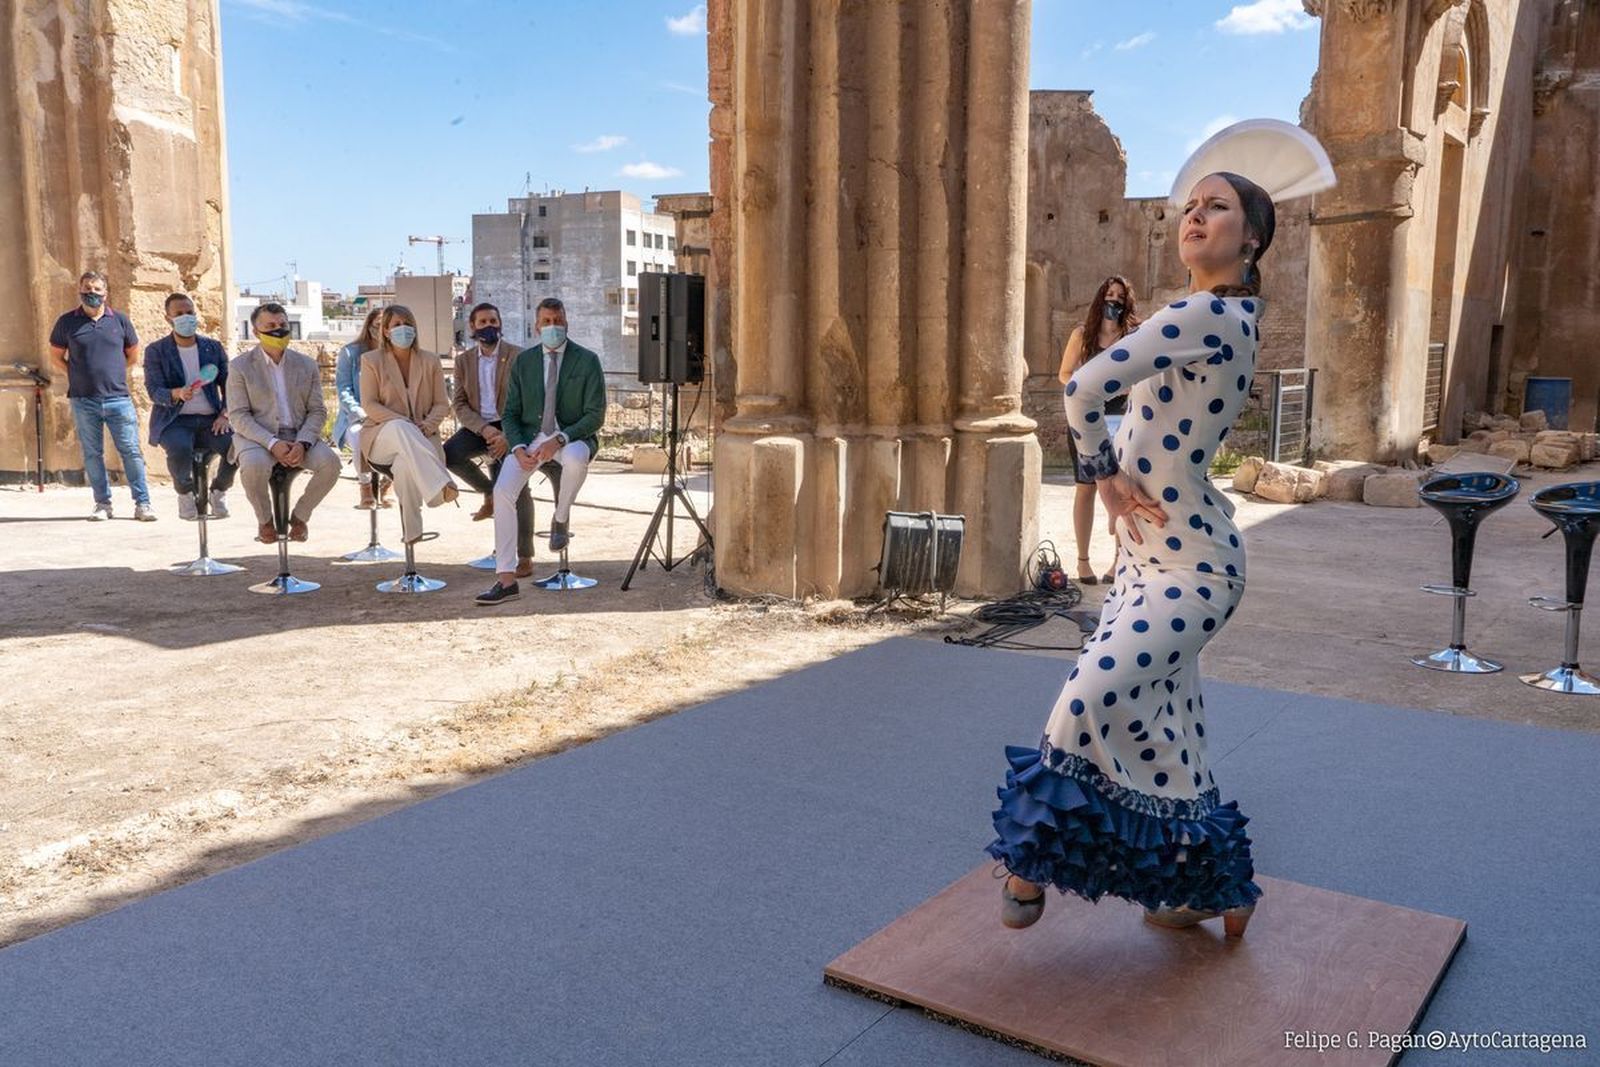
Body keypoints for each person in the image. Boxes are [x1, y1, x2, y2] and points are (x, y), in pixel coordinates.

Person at [989, 171, 1274, 938]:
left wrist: (1104, 479)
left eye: (1216, 207)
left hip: (1193, 567)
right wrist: (1116, 485)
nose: (1195, 217)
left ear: (1251, 237)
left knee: (1091, 696)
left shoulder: (1208, 313)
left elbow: (1081, 388)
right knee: (1168, 732)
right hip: (1151, 562)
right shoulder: (1224, 314)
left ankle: (1027, 864)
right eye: (1190, 207)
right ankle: (1209, 886)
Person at [475, 297, 606, 606]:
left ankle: (560, 519)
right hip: (530, 440)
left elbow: (595, 415)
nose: (552, 327)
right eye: (546, 322)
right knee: (504, 492)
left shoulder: (586, 360)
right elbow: (510, 413)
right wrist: (518, 447)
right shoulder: (525, 361)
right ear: (536, 326)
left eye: (557, 321)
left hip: (571, 437)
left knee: (575, 458)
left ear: (566, 323)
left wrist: (559, 439)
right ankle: (506, 580)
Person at [227, 303, 343, 544]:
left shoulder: (306, 364)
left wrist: (303, 442)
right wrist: (272, 443)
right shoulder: (239, 367)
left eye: (282, 325)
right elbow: (238, 416)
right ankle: (265, 520)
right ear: (256, 332)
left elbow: (317, 410)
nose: (278, 330)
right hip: (258, 437)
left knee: (331, 464)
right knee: (254, 465)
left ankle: (300, 516)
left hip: (299, 435)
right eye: (270, 326)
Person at [48, 270, 155, 521]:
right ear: (80, 289)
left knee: (130, 451)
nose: (91, 293)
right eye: (87, 288)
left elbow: (132, 355)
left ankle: (143, 503)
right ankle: (102, 504)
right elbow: (56, 356)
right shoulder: (66, 322)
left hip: (118, 398)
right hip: (83, 399)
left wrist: (112, 374)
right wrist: (76, 373)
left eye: (96, 289)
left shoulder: (120, 320)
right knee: (93, 453)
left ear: (105, 293)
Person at [444, 302, 535, 577]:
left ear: (500, 324)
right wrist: (485, 430)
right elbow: (458, 403)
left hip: (512, 428)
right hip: (478, 427)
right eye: (482, 322)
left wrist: (508, 435)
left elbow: (530, 403)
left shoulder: (519, 357)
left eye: (493, 321)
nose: (488, 326)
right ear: (472, 327)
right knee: (449, 454)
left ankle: (525, 555)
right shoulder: (463, 361)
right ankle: (488, 493)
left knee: (517, 488)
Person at [1060, 276, 1140, 585]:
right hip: (1086, 420)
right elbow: (1064, 374)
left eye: (1120, 296)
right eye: (1109, 294)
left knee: (1120, 489)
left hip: (1123, 420)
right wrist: (1087, 387)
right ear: (1100, 298)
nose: (1115, 301)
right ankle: (1083, 562)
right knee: (1086, 488)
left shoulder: (1133, 337)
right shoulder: (1082, 335)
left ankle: (1119, 560)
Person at [357, 305, 458, 544]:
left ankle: (412, 533)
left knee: (404, 465)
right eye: (397, 325)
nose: (404, 329)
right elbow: (369, 405)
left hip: (422, 437)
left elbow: (441, 404)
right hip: (381, 436)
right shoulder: (371, 360)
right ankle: (440, 485)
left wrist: (426, 425)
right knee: (400, 428)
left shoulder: (430, 360)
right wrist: (406, 422)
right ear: (386, 331)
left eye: (408, 324)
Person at [143, 293, 235, 520]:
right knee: (179, 449)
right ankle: (185, 493)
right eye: (180, 314)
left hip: (211, 419)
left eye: (190, 313)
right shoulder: (156, 351)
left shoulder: (212, 348)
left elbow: (230, 384)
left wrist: (225, 413)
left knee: (237, 448)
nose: (186, 318)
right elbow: (154, 391)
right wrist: (176, 393)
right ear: (169, 319)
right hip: (175, 420)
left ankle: (219, 490)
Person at [333, 308, 391, 510]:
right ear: (369, 326)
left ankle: (388, 482)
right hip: (356, 416)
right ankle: (365, 485)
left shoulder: (394, 354)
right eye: (377, 325)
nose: (381, 330)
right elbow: (344, 388)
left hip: (387, 415)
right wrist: (362, 414)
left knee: (402, 434)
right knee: (360, 436)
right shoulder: (351, 353)